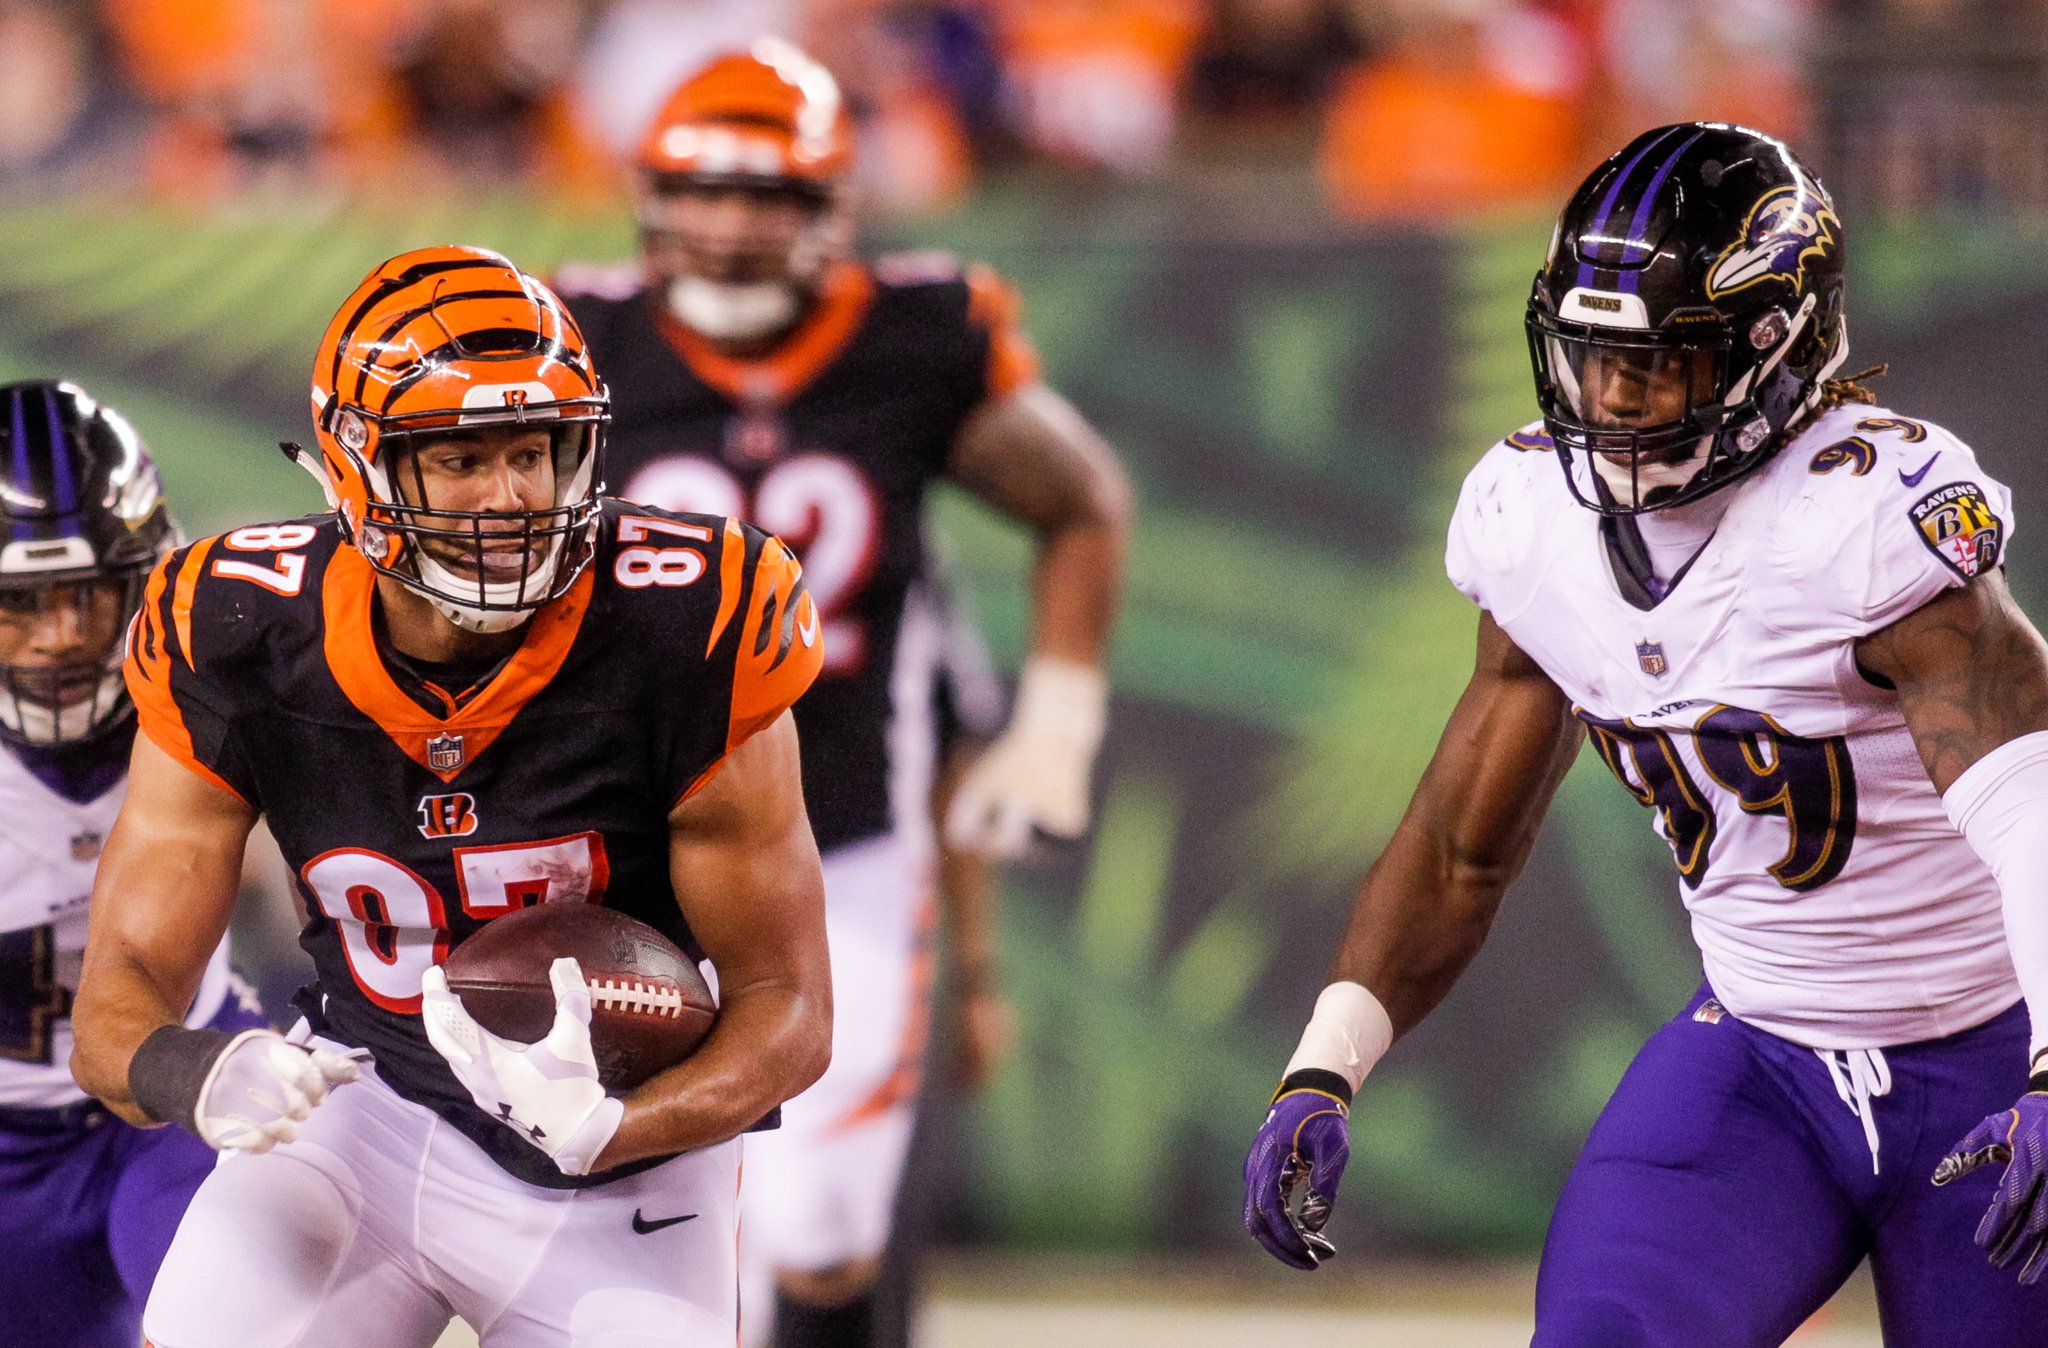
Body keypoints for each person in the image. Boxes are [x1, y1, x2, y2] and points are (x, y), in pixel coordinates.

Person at [1242, 121, 2048, 1345]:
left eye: (1659, 364)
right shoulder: (1533, 523)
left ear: (1773, 354)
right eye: (1591, 357)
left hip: (1990, 1060)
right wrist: (1325, 1058)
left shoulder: (1861, 522)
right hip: (1761, 1061)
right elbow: (1463, 844)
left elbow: (2030, 798)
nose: (1611, 396)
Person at [68, 244, 832, 1348]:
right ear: (356, 469)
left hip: (618, 1169)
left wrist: (614, 1125)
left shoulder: (689, 625)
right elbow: (116, 1001)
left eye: (534, 450)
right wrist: (200, 1068)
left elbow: (791, 1006)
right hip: (361, 1108)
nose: (511, 497)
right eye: (460, 459)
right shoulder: (237, 629)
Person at [556, 41, 1130, 1348]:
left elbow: (1083, 499)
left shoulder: (910, 339)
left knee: (817, 1228)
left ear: (834, 213)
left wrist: (1060, 715)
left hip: (842, 838)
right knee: (620, 1201)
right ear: (649, 198)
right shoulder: (579, 341)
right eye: (702, 193)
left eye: (768, 198)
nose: (730, 228)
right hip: (624, 839)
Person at [0, 380, 267, 1347]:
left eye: (88, 595)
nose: (63, 637)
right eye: (19, 604)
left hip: (182, 1091)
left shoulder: (208, 691)